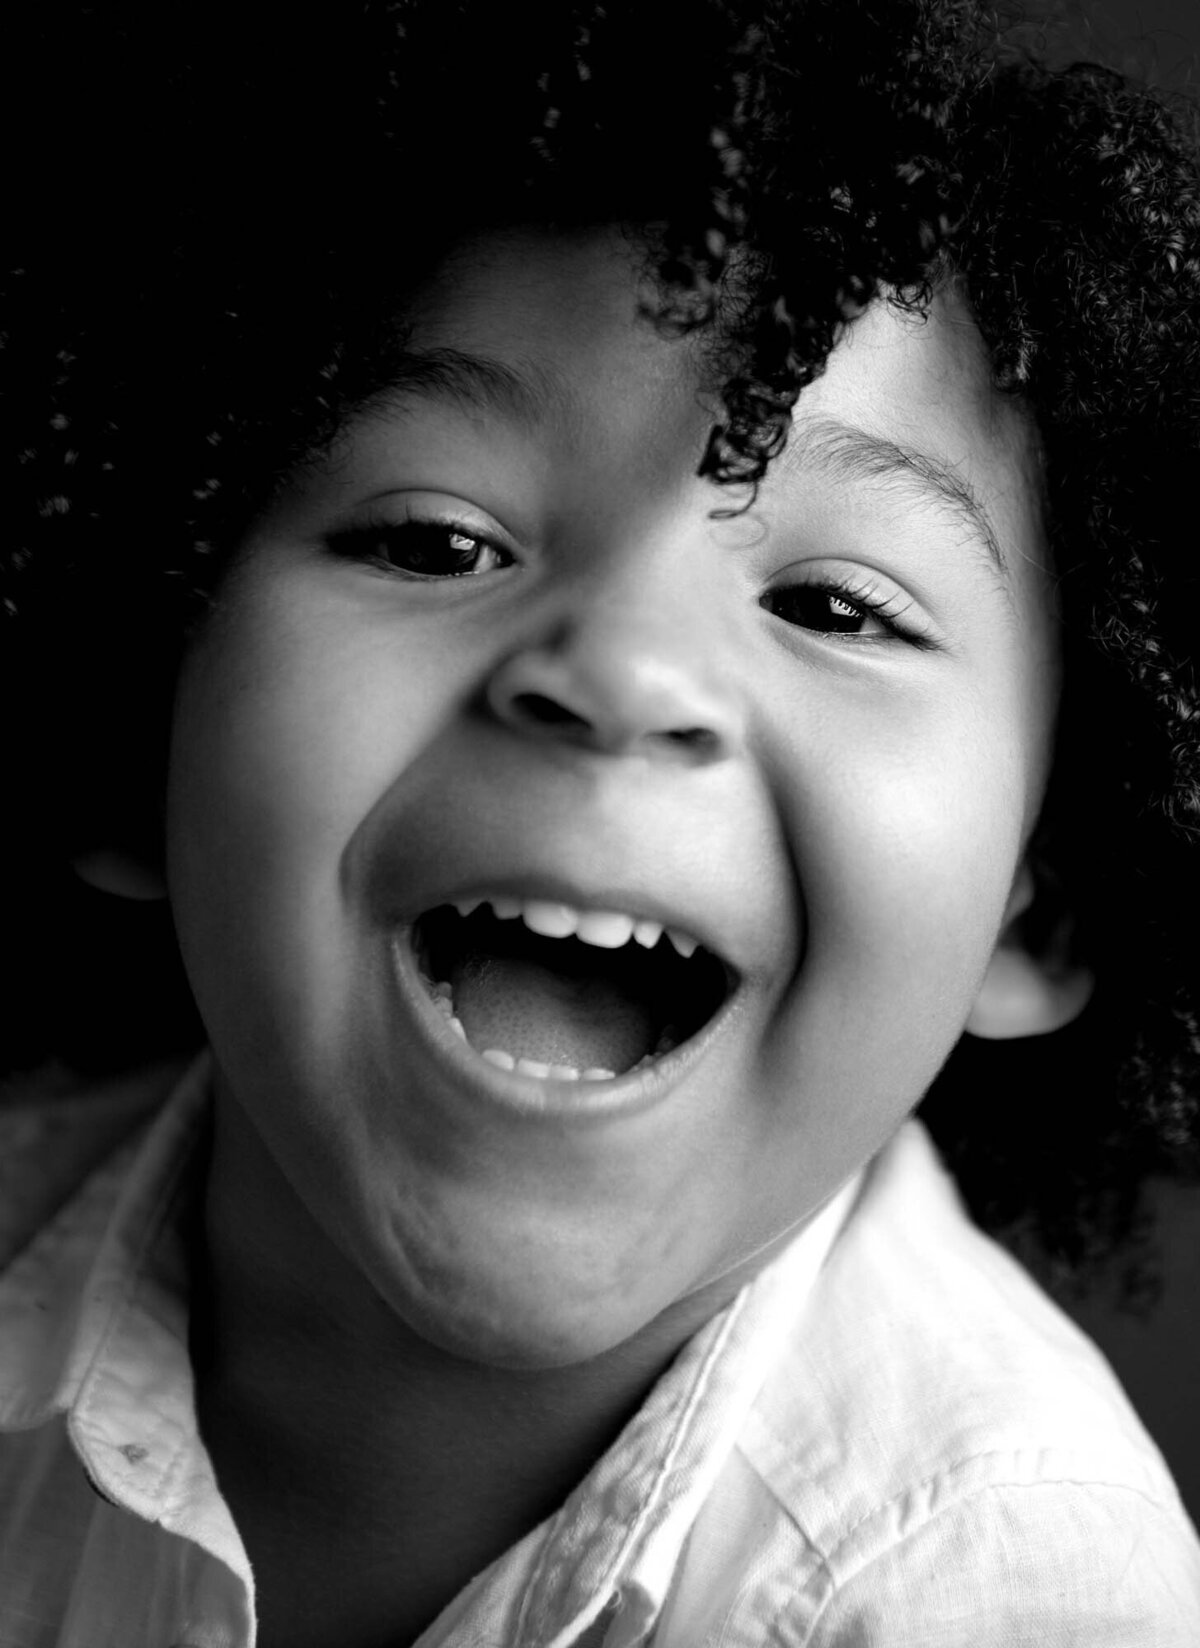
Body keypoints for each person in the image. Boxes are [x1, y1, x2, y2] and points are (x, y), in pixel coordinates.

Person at [2, 1, 1200, 1642]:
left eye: (840, 605)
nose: (625, 671)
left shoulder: (998, 1585)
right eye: (433, 541)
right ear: (131, 726)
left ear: (1041, 904)